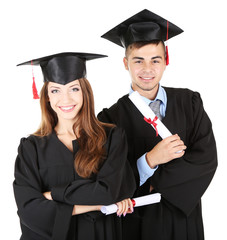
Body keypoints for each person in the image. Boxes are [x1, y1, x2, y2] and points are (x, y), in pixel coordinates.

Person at [98, 9, 218, 240]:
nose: (147, 69)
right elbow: (109, 177)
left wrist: (157, 184)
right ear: (125, 63)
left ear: (166, 60)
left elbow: (206, 158)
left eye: (155, 60)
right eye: (138, 60)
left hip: (184, 219)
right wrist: (150, 160)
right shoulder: (109, 119)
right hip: (136, 223)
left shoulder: (190, 102)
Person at [13, 52, 136, 240]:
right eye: (55, 90)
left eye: (74, 89)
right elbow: (29, 209)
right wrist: (96, 205)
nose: (66, 99)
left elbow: (109, 192)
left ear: (85, 92)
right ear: (47, 97)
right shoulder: (32, 148)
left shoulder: (111, 138)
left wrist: (53, 195)